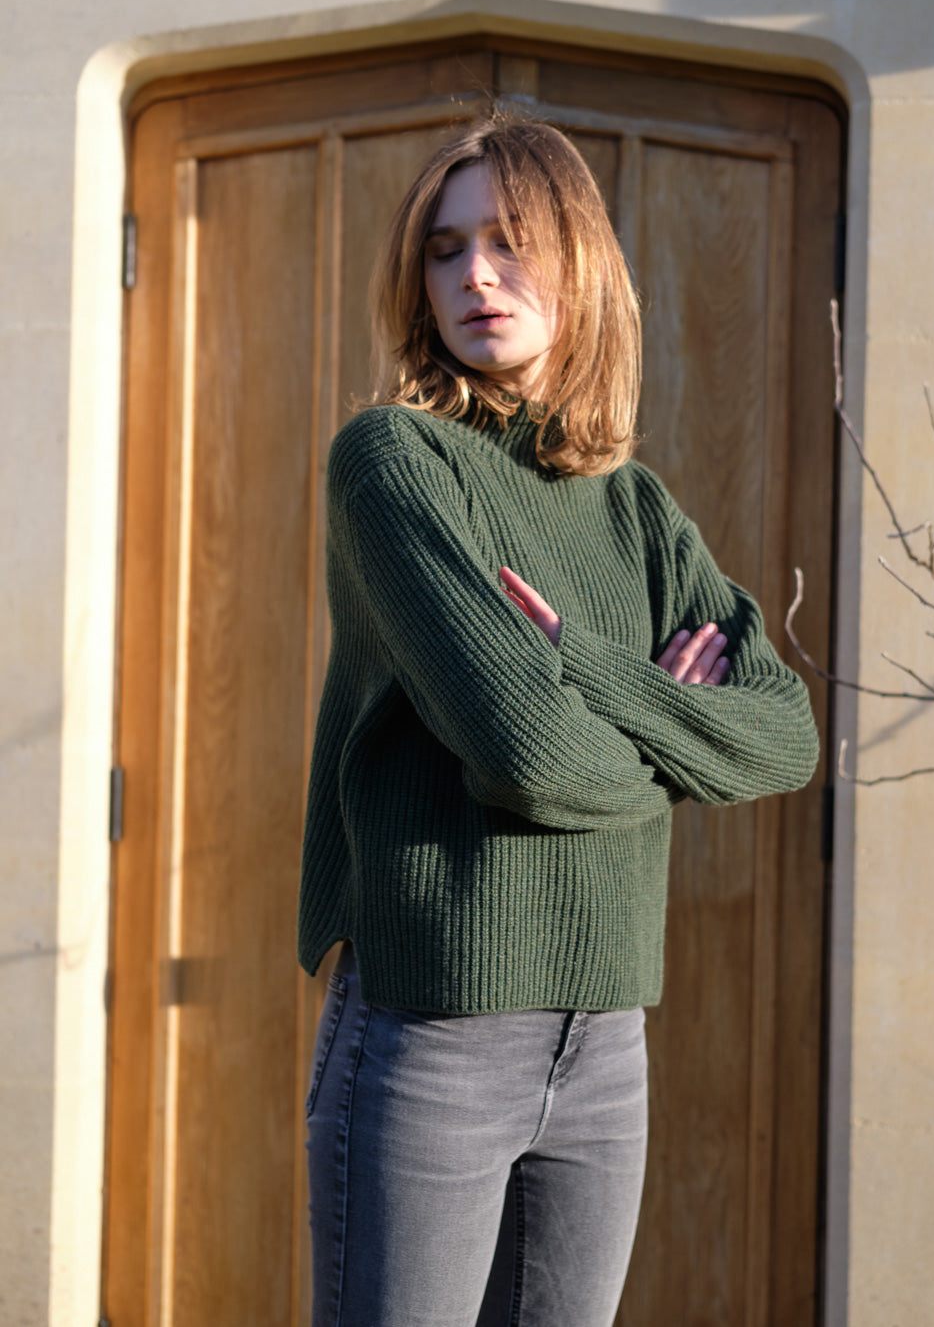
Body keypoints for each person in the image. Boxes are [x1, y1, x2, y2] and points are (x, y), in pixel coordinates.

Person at [300, 115, 819, 1327]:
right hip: (433, 1034)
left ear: (580, 264)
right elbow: (528, 756)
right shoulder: (395, 463)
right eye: (445, 249)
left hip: (605, 1044)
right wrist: (677, 738)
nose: (475, 276)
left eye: (509, 242)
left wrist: (587, 667)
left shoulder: (636, 509)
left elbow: (786, 736)